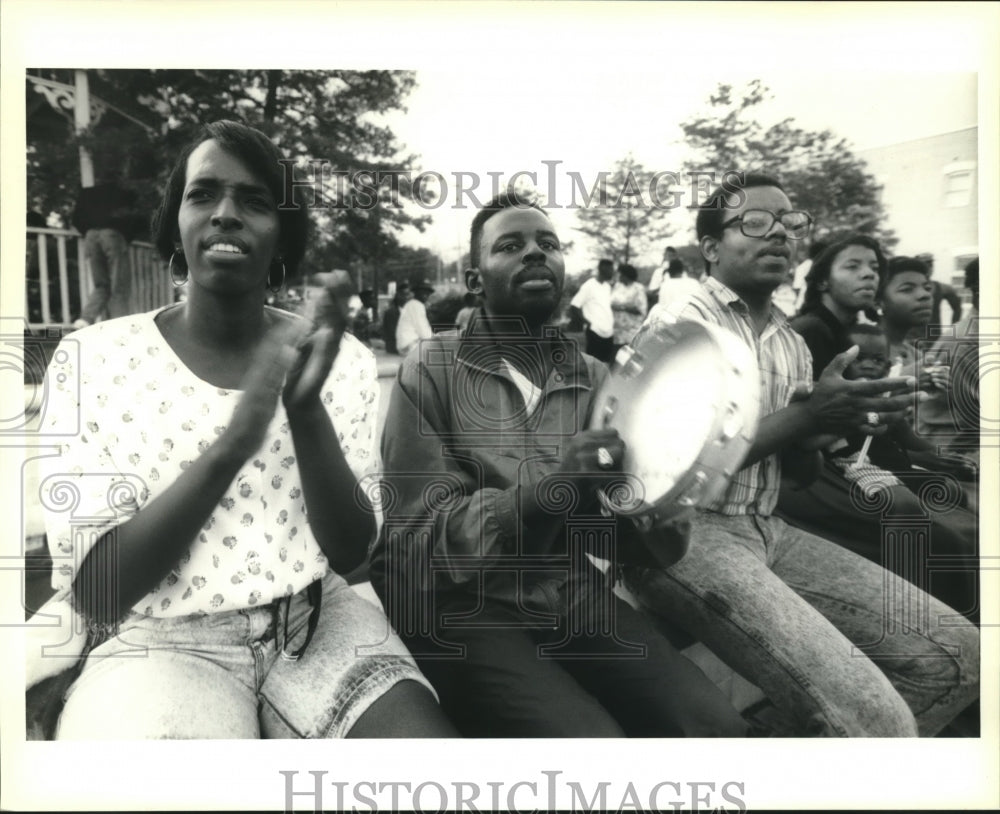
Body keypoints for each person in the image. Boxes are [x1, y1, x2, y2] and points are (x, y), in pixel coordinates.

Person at [40, 120, 454, 740]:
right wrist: (235, 443)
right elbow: (99, 594)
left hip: (318, 622)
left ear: (282, 233)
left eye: (255, 201)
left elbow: (351, 552)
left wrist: (305, 410)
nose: (226, 214)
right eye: (203, 194)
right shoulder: (93, 359)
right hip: (164, 644)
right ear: (175, 223)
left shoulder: (342, 362)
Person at [369, 193, 748, 738]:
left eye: (548, 244)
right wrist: (553, 487)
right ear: (475, 280)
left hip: (564, 586)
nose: (535, 254)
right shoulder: (432, 366)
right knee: (591, 747)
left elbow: (623, 540)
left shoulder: (598, 377)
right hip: (456, 605)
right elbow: (415, 542)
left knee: (713, 726)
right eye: (511, 245)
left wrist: (668, 492)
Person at [623, 173, 979, 736]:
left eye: (790, 224)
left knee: (960, 654)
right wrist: (806, 418)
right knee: (876, 716)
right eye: (755, 223)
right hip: (684, 539)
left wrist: (824, 432)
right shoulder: (684, 317)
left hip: (769, 528)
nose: (779, 235)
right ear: (711, 248)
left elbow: (799, 474)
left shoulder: (791, 342)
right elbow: (664, 466)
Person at [789, 234, 886, 378]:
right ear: (823, 281)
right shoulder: (811, 329)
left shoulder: (849, 330)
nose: (869, 274)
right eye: (852, 267)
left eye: (875, 268)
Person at [71, 175, 140, 328]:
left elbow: (76, 219)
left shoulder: (87, 193)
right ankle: (118, 326)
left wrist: (89, 232)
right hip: (112, 235)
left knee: (101, 285)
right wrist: (126, 236)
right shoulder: (124, 193)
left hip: (90, 236)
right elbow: (135, 219)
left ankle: (84, 320)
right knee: (119, 285)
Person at [568, 258, 615, 364]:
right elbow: (574, 306)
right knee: (593, 363)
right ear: (602, 269)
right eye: (611, 269)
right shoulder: (589, 285)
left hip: (608, 330)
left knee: (606, 363)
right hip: (595, 330)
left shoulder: (607, 287)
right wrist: (588, 323)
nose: (613, 272)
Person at [609, 262, 647, 352]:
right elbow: (611, 303)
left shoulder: (638, 288)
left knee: (630, 354)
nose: (618, 276)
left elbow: (641, 309)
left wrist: (622, 307)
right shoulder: (617, 286)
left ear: (626, 275)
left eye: (620, 274)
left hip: (632, 330)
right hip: (617, 330)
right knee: (617, 354)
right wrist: (625, 305)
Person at [396, 277, 435, 356]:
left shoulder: (412, 304)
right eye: (423, 292)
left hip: (408, 345)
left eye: (428, 293)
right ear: (416, 292)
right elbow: (424, 333)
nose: (426, 295)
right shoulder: (416, 305)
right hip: (409, 346)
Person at [381, 279, 411, 354]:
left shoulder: (411, 312)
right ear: (398, 295)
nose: (406, 297)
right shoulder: (390, 313)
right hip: (394, 352)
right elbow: (391, 334)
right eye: (403, 294)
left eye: (408, 295)